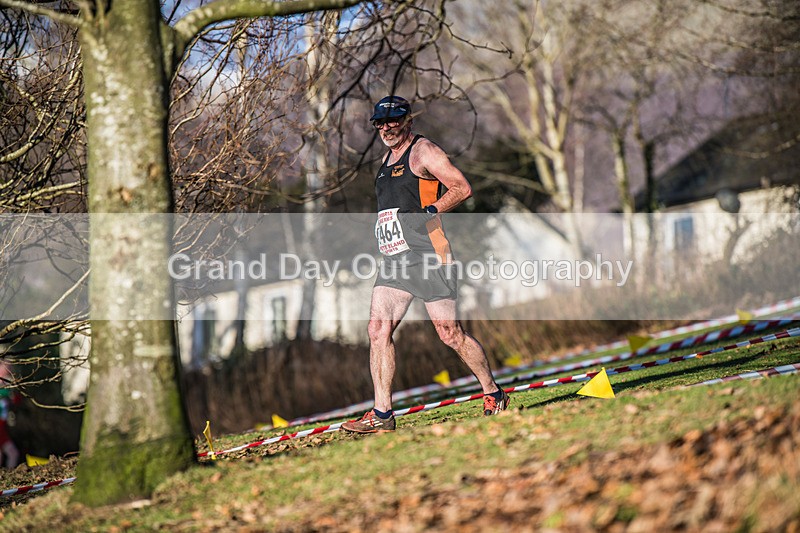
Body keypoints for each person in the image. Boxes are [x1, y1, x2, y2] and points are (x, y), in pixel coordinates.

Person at [342, 96, 509, 434]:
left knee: (450, 334)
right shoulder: (386, 159)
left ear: (408, 121)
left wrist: (430, 212)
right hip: (395, 260)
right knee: (378, 330)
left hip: (430, 256)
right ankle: (382, 414)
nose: (386, 127)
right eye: (380, 122)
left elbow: (461, 187)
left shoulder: (425, 152)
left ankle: (493, 392)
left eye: (394, 120)